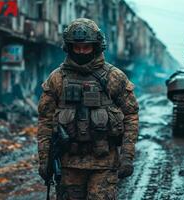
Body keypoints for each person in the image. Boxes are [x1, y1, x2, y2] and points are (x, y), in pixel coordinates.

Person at [37, 18, 139, 200]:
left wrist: (127, 156)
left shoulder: (113, 77)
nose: (81, 51)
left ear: (96, 47)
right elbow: (45, 120)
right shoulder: (57, 78)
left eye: (86, 47)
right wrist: (44, 159)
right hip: (69, 164)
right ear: (69, 47)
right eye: (77, 47)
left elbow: (131, 115)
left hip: (104, 163)